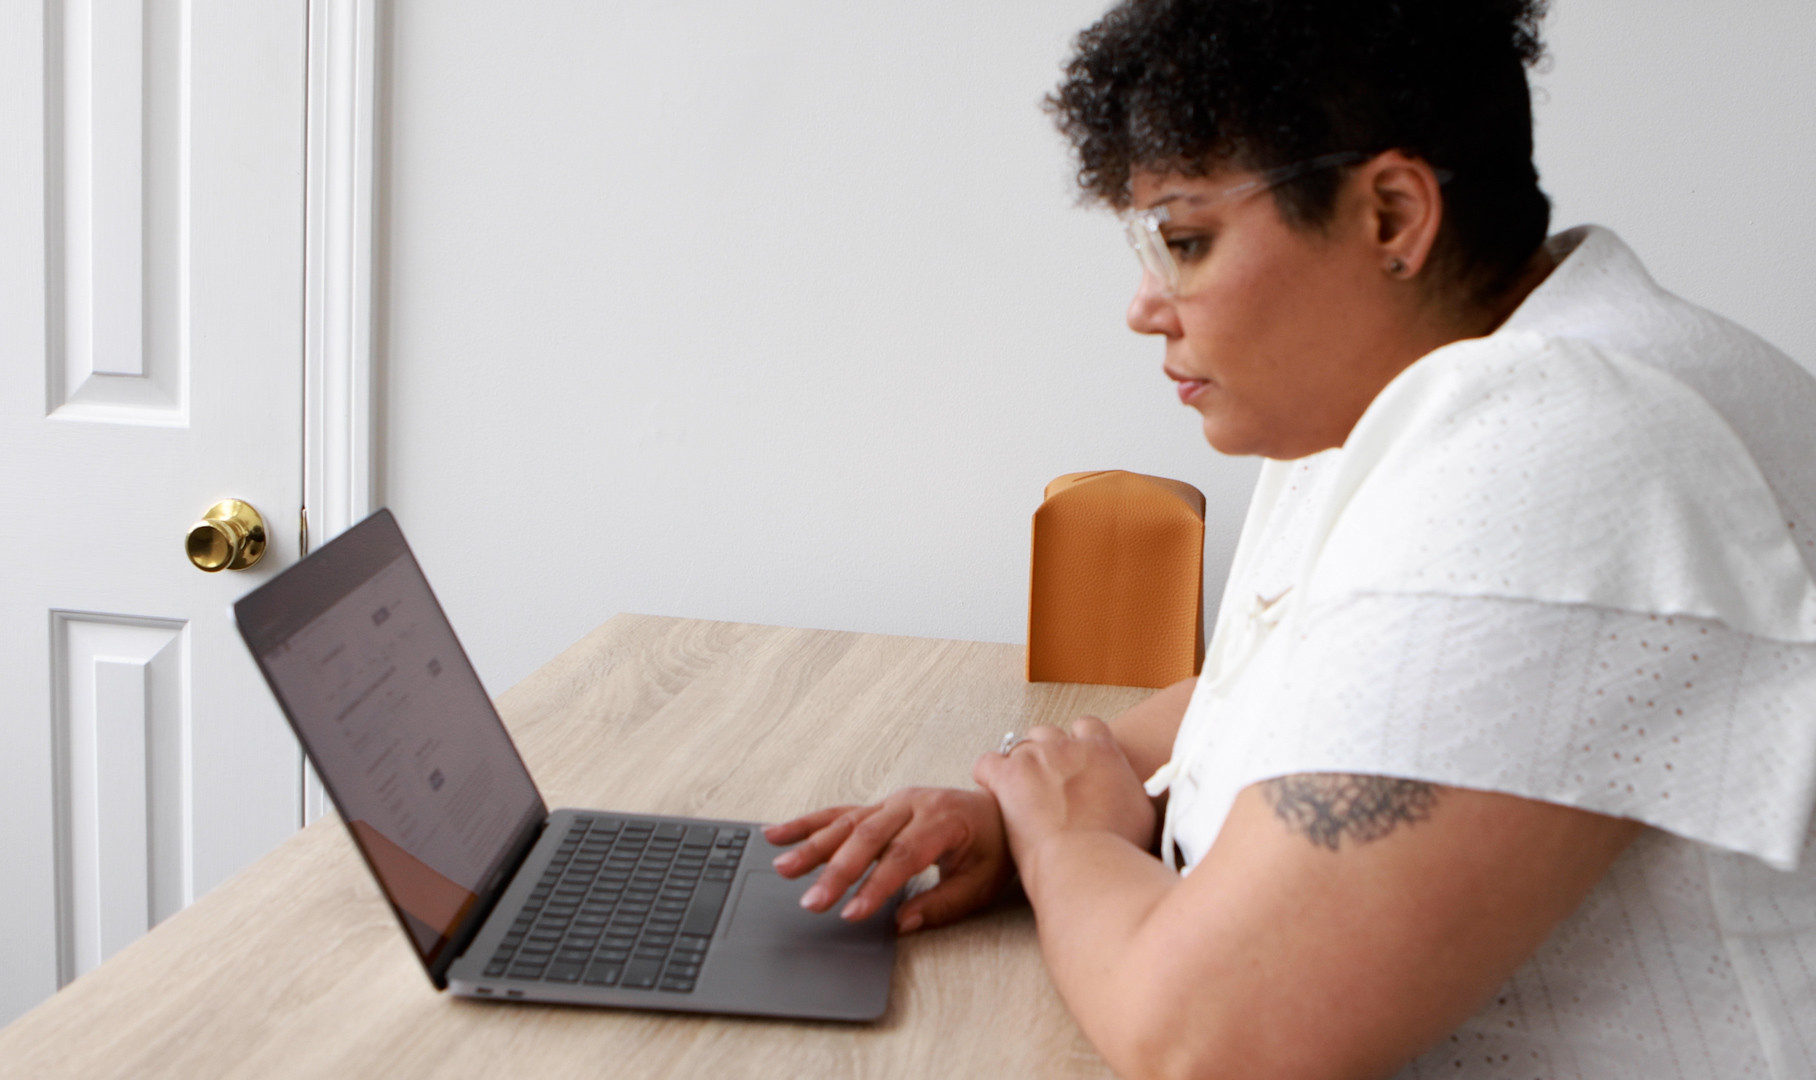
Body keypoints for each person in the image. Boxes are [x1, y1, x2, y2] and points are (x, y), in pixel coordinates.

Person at [763, 1, 1816, 1077]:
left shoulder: (1560, 450)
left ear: (1392, 216)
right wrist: (1035, 799)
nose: (1144, 306)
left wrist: (1067, 843)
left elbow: (1212, 1039)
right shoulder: (1411, 390)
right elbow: (1300, 680)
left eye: (1183, 242)